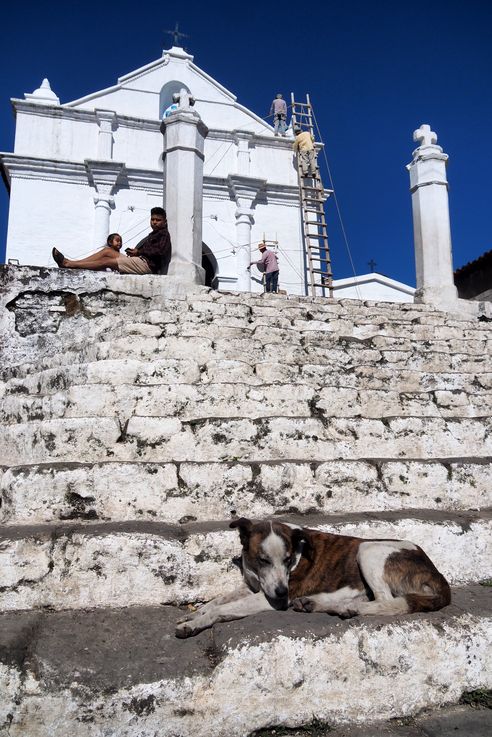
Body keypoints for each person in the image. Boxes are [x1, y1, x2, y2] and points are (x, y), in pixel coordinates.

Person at [51, 208, 172, 275]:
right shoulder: (153, 234)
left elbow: (160, 252)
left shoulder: (163, 234)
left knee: (106, 261)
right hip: (139, 261)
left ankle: (68, 264)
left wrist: (139, 252)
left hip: (147, 266)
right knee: (107, 251)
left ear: (164, 222)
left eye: (158, 220)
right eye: (152, 219)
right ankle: (74, 264)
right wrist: (137, 252)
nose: (154, 222)